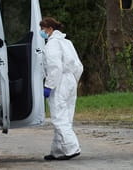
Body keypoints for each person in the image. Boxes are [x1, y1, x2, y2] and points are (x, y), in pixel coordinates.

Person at [40, 17, 84, 161]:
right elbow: (78, 66)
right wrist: (73, 81)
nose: (42, 32)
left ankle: (72, 147)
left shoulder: (52, 45)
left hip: (59, 82)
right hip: (70, 79)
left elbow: (55, 67)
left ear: (50, 29)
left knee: (59, 117)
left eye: (43, 29)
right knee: (66, 117)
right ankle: (58, 150)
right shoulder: (67, 42)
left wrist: (48, 86)